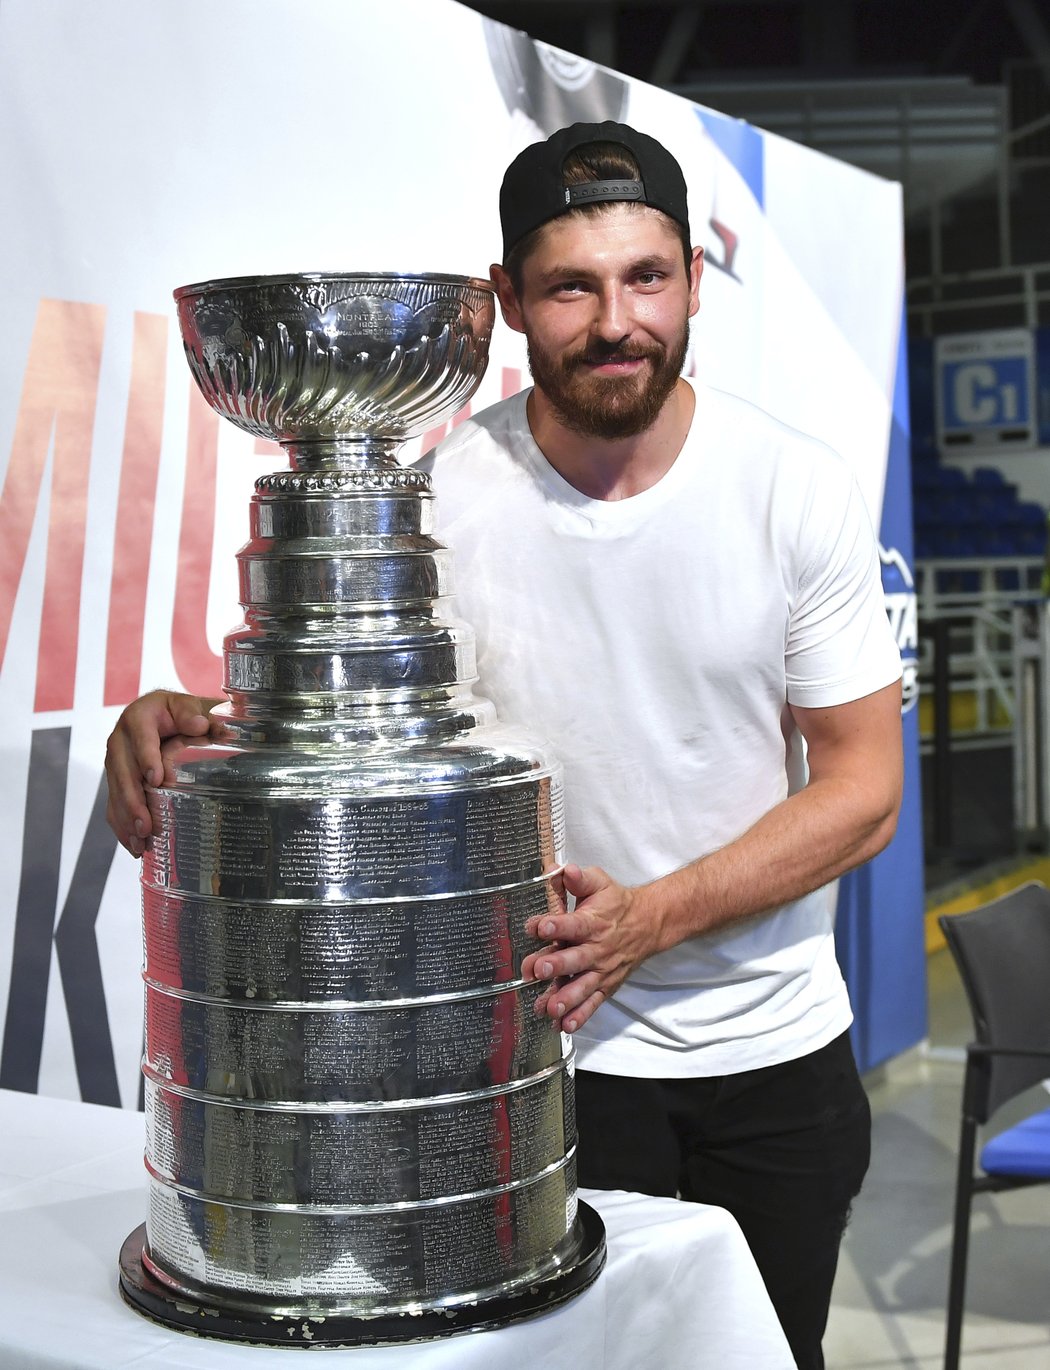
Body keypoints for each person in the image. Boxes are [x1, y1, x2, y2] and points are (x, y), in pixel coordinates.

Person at [105, 122, 903, 1370]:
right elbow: (342, 736)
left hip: (774, 1058)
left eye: (646, 276)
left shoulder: (791, 486)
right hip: (537, 1068)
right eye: (572, 285)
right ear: (508, 303)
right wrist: (187, 724)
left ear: (694, 279)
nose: (616, 320)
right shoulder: (443, 495)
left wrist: (656, 915)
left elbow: (863, 790)